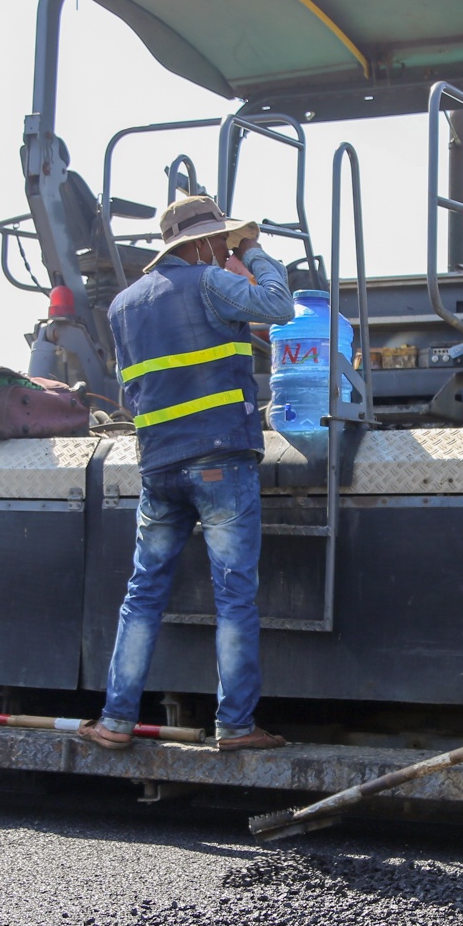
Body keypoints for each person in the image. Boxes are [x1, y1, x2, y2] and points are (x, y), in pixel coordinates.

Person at [83, 194, 296, 753]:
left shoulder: (124, 305)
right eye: (222, 239)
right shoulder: (209, 280)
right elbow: (278, 306)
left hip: (158, 466)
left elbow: (133, 386)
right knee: (234, 597)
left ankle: (114, 721)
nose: (225, 247)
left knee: (142, 594)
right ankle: (236, 727)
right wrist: (254, 250)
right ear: (203, 242)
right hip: (220, 461)